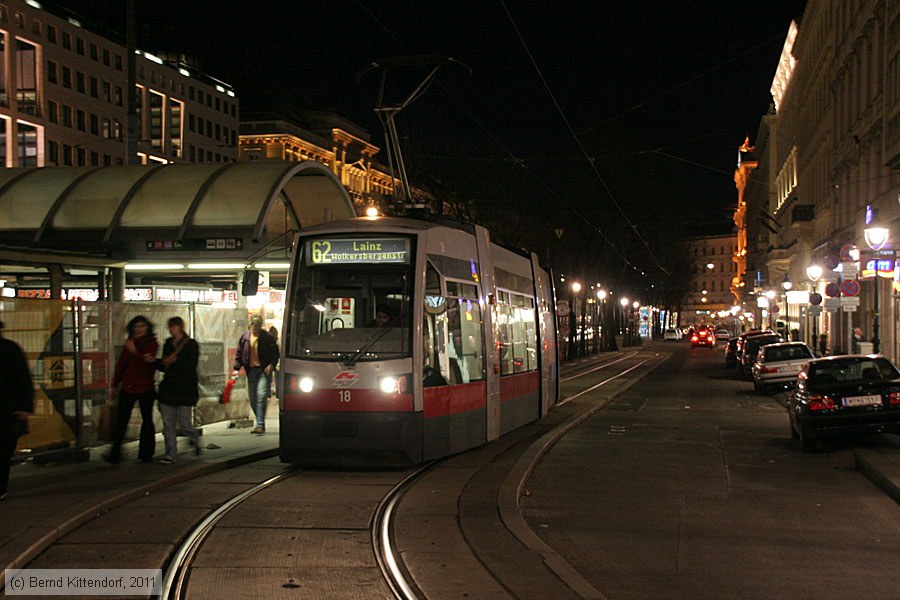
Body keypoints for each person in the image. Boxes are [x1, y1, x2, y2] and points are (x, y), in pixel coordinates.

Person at [105, 316, 159, 464]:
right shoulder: (129, 343)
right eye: (137, 326)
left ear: (147, 328)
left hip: (145, 386)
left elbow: (146, 363)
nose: (139, 329)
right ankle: (115, 453)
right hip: (128, 386)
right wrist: (115, 385)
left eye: (142, 326)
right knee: (121, 420)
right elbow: (121, 365)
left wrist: (134, 351)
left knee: (146, 419)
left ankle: (146, 452)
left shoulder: (151, 343)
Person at [152, 317, 201, 465]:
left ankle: (194, 438)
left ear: (180, 327)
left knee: (185, 423)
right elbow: (164, 366)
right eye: (170, 327)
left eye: (173, 327)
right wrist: (156, 362)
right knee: (169, 424)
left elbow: (191, 364)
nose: (171, 330)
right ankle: (171, 454)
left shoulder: (191, 344)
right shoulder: (168, 343)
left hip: (185, 388)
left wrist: (176, 361)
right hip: (169, 389)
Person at [1, 320, 33, 500]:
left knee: (4, 450)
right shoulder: (10, 349)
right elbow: (24, 379)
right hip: (9, 410)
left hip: (8, 411)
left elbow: (23, 380)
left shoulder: (9, 350)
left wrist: (23, 407)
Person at [232, 314, 278, 434]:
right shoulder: (245, 337)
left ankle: (260, 424)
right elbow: (239, 353)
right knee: (253, 399)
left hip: (263, 371)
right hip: (251, 371)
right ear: (250, 325)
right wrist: (236, 368)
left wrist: (271, 365)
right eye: (254, 325)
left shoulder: (267, 337)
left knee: (261, 396)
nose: (256, 327)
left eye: (258, 325)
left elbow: (275, 353)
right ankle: (260, 421)